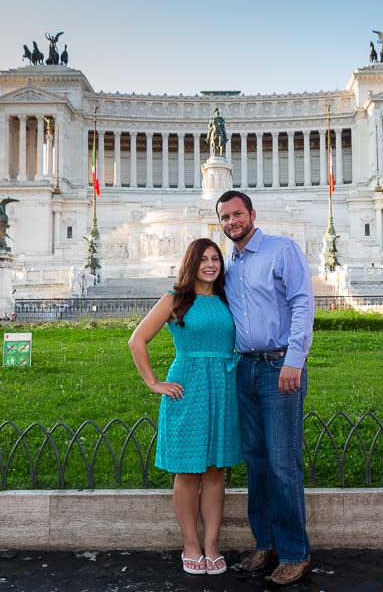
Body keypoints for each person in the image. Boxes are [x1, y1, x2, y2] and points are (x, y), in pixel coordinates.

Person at [216, 190, 315, 586]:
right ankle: (266, 544)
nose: (232, 222)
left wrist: (295, 359)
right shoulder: (230, 265)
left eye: (237, 214)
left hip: (279, 368)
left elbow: (303, 303)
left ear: (252, 214)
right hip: (246, 369)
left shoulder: (281, 250)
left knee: (281, 462)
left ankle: (295, 552)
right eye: (225, 217)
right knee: (256, 463)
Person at [128, 238, 242, 576]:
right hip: (188, 386)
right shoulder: (175, 299)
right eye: (203, 259)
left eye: (215, 259)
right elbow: (137, 340)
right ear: (190, 264)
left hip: (223, 385)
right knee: (189, 470)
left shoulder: (226, 298)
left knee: (215, 470)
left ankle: (212, 546)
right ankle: (191, 544)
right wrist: (153, 382)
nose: (210, 265)